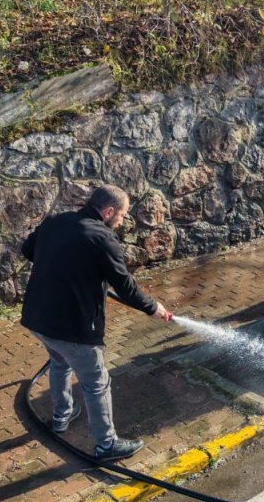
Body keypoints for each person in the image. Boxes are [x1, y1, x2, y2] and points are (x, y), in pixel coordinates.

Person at [21, 185, 173, 461]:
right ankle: (107, 445)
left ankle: (62, 415)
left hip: (38, 318)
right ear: (109, 211)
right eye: (123, 215)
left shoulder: (55, 221)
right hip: (72, 327)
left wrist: (66, 267)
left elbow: (28, 249)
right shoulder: (103, 239)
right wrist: (153, 307)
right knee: (96, 383)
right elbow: (125, 287)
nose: (123, 221)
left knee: (59, 362)